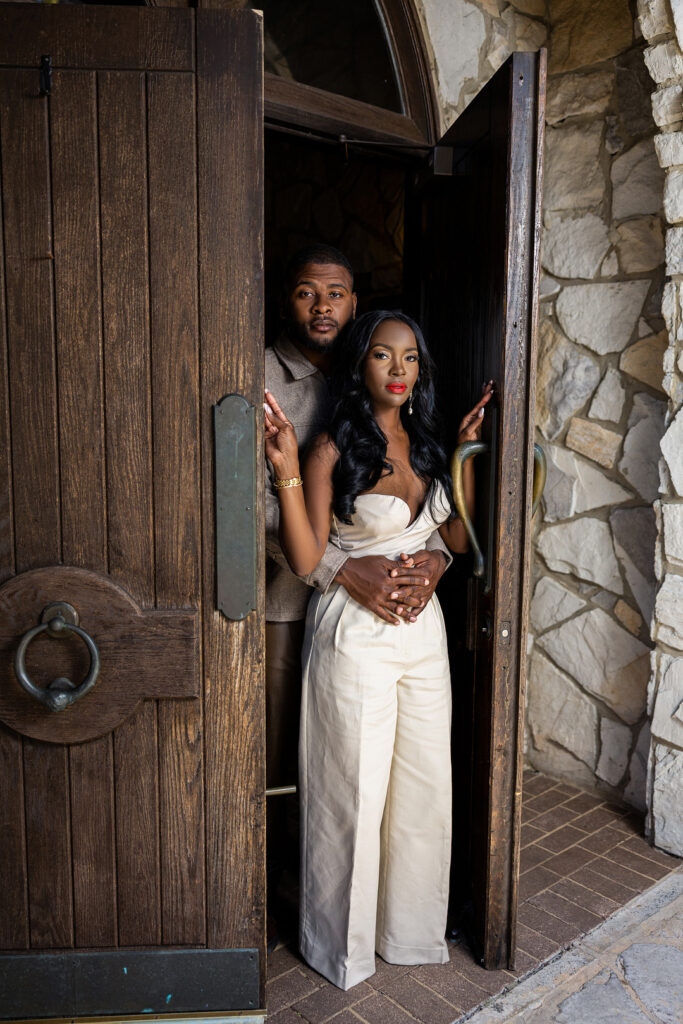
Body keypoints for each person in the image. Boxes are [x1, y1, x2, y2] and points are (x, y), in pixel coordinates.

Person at [264, 310, 491, 989]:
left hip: (421, 638)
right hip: (353, 637)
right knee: (349, 789)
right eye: (384, 357)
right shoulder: (333, 446)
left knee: (423, 785)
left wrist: (462, 454)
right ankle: (341, 947)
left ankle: (408, 933)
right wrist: (283, 467)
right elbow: (305, 558)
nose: (398, 371)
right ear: (361, 364)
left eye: (410, 359)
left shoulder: (425, 443)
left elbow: (454, 540)